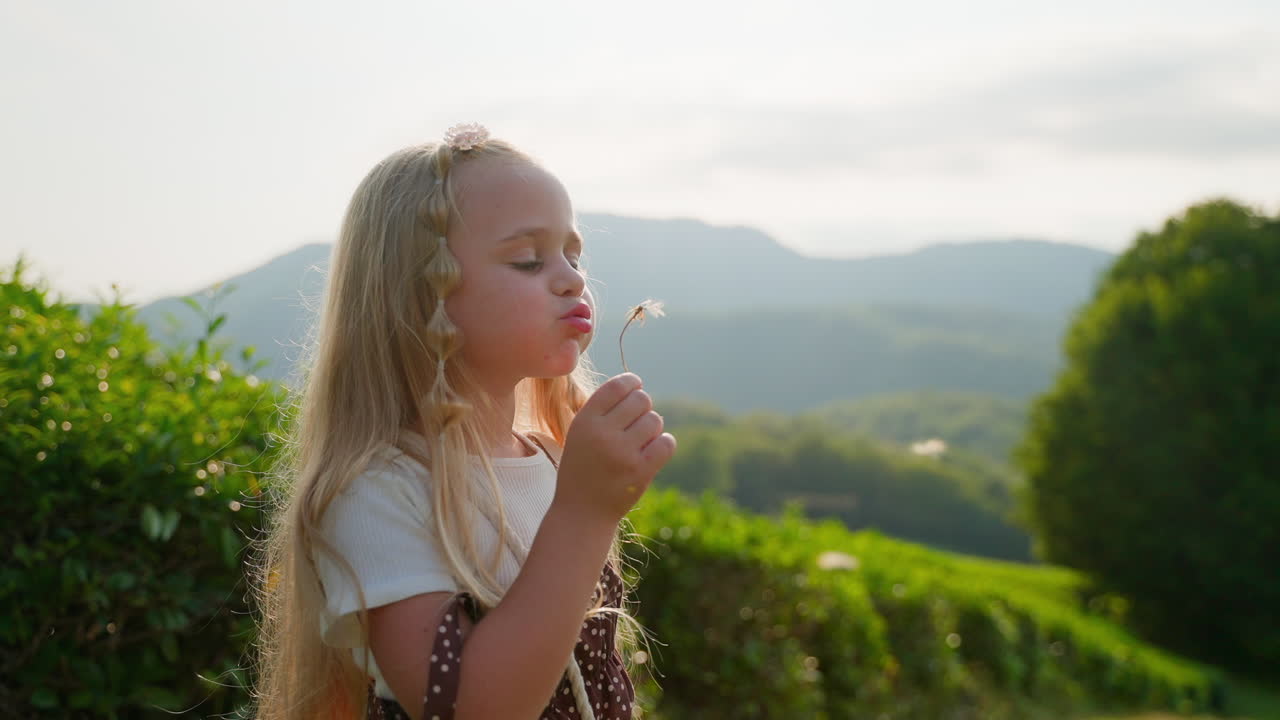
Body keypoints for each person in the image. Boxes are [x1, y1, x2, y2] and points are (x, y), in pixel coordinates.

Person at [249, 123, 676, 720]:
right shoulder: (379, 492)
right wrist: (584, 513)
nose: (573, 278)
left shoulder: (553, 459)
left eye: (572, 255)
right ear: (423, 298)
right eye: (529, 260)